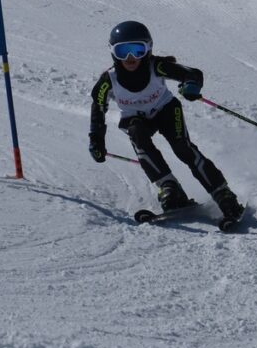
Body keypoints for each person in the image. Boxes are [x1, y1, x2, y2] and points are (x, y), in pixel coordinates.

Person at [88, 20, 244, 219]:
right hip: (135, 119)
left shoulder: (157, 66)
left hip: (166, 110)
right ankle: (168, 187)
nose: (130, 57)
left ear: (148, 48)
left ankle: (222, 193)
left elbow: (192, 74)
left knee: (182, 148)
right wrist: (96, 140)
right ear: (112, 51)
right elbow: (98, 107)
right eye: (123, 51)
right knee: (138, 137)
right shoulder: (109, 80)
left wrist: (191, 85)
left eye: (137, 50)